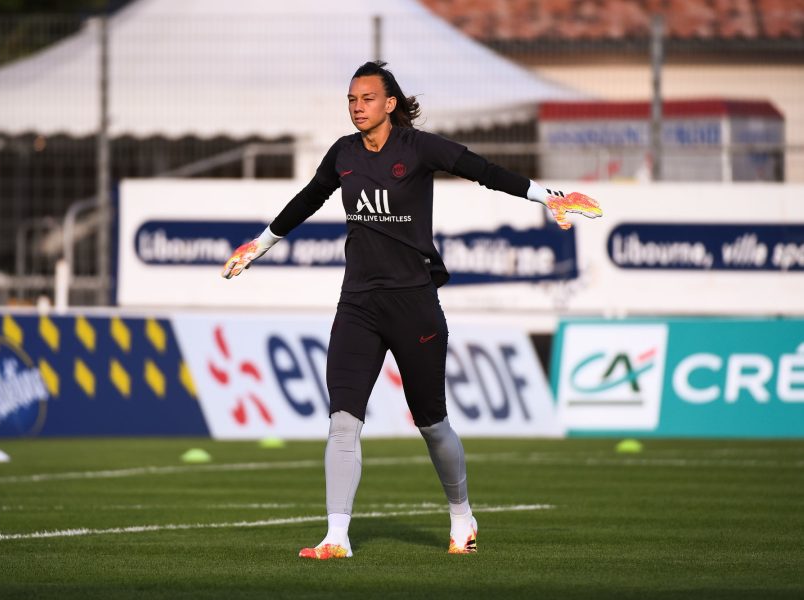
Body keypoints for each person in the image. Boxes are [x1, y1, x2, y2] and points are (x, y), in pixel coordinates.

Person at [222, 61, 602, 559]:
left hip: (414, 304)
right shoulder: (343, 153)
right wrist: (260, 244)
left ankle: (461, 513)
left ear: (390, 104)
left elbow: (482, 171)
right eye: (351, 100)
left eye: (366, 99)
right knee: (343, 420)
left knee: (432, 423)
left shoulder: (418, 147)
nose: (357, 107)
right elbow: (309, 199)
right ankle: (336, 537)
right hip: (357, 303)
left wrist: (545, 196)